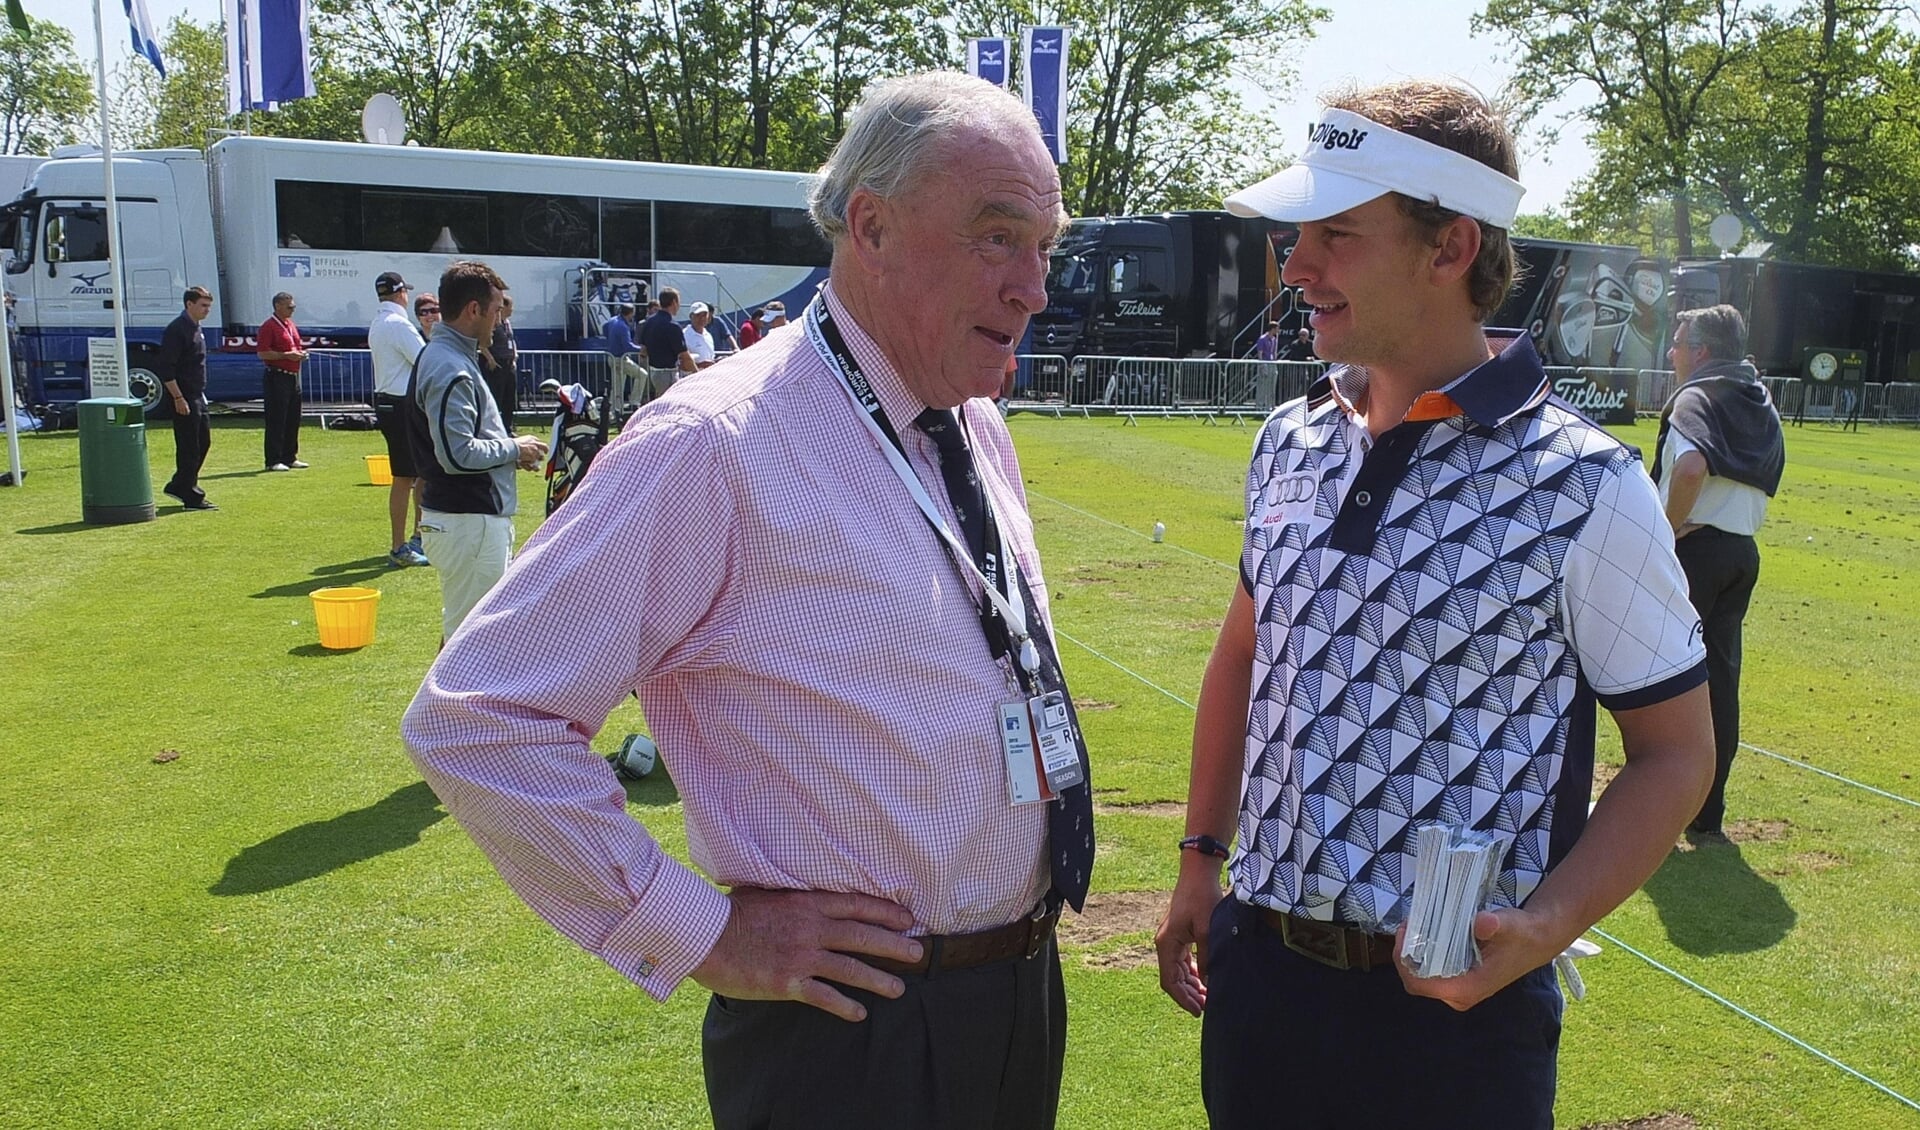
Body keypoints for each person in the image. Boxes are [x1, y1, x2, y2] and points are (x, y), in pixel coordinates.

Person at [403, 71, 1092, 1130]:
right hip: (852, 1032)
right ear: (872, 225)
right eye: (998, 237)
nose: (1034, 286)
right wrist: (704, 935)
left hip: (1013, 999)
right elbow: (481, 716)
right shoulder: (714, 444)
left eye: (1045, 244)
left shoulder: (968, 421)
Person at [1152, 81, 1715, 1129]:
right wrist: (1201, 857)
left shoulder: (1586, 483)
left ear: (1450, 245)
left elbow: (1678, 753)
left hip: (1451, 1020)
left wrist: (1544, 925)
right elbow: (1243, 654)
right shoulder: (1289, 441)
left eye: (1338, 234)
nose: (1297, 264)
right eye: (1298, 233)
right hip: (1261, 986)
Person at [1653, 305, 1785, 838]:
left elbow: (1689, 468)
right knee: (1720, 683)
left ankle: (1661, 804)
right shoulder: (1760, 400)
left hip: (1694, 551)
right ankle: (1708, 814)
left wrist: (1663, 531)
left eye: (1679, 342)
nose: (1672, 352)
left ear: (1702, 352)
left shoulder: (1696, 396)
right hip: (1741, 552)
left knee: (1661, 681)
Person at [402, 260, 548, 641]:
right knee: (473, 643)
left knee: (464, 636)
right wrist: (513, 448)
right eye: (496, 310)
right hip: (468, 520)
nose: (499, 320)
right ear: (473, 309)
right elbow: (457, 454)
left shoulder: (449, 357)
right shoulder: (451, 365)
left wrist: (511, 454)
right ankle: (443, 705)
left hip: (465, 519)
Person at [369, 271, 430, 567]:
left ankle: (418, 536)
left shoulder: (380, 322)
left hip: (391, 401)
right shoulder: (397, 324)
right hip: (401, 402)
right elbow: (424, 360)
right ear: (400, 293)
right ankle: (401, 545)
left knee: (415, 474)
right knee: (407, 476)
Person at [159, 286, 217, 511]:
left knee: (203, 442)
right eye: (203, 305)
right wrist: (178, 398)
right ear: (189, 304)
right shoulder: (177, 330)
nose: (207, 310)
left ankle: (179, 484)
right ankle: (190, 495)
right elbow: (166, 368)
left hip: (197, 395)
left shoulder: (196, 328)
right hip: (184, 396)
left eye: (208, 306)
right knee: (189, 446)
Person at [257, 291, 308, 471]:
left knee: (293, 418)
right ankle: (273, 459)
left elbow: (295, 346)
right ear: (278, 306)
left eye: (293, 306)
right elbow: (262, 352)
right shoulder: (269, 326)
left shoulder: (290, 324)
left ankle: (289, 456)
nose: (292, 309)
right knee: (277, 418)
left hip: (293, 376)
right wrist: (286, 355)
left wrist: (300, 354)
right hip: (276, 375)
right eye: (289, 306)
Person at [639, 286, 691, 398]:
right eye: (679, 301)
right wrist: (697, 373)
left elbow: (643, 351)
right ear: (674, 302)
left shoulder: (649, 322)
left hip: (654, 373)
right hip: (668, 374)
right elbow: (684, 355)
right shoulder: (673, 326)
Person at [481, 293, 520, 421]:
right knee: (497, 395)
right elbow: (482, 344)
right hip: (498, 363)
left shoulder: (507, 323)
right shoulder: (493, 324)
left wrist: (514, 356)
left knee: (510, 397)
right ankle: (494, 424)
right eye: (510, 306)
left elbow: (511, 340)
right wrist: (490, 359)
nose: (512, 309)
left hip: (509, 363)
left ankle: (508, 426)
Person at [602, 302, 646, 413]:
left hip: (612, 357)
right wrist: (641, 349)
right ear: (631, 313)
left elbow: (604, 328)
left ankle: (614, 410)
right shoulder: (623, 326)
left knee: (617, 385)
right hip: (620, 359)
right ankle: (634, 402)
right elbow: (628, 346)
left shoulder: (612, 321)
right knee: (642, 374)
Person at [683, 301, 718, 369]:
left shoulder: (708, 335)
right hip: (691, 377)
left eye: (704, 315)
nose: (702, 318)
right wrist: (699, 365)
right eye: (698, 315)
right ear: (691, 316)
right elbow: (681, 363)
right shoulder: (684, 335)